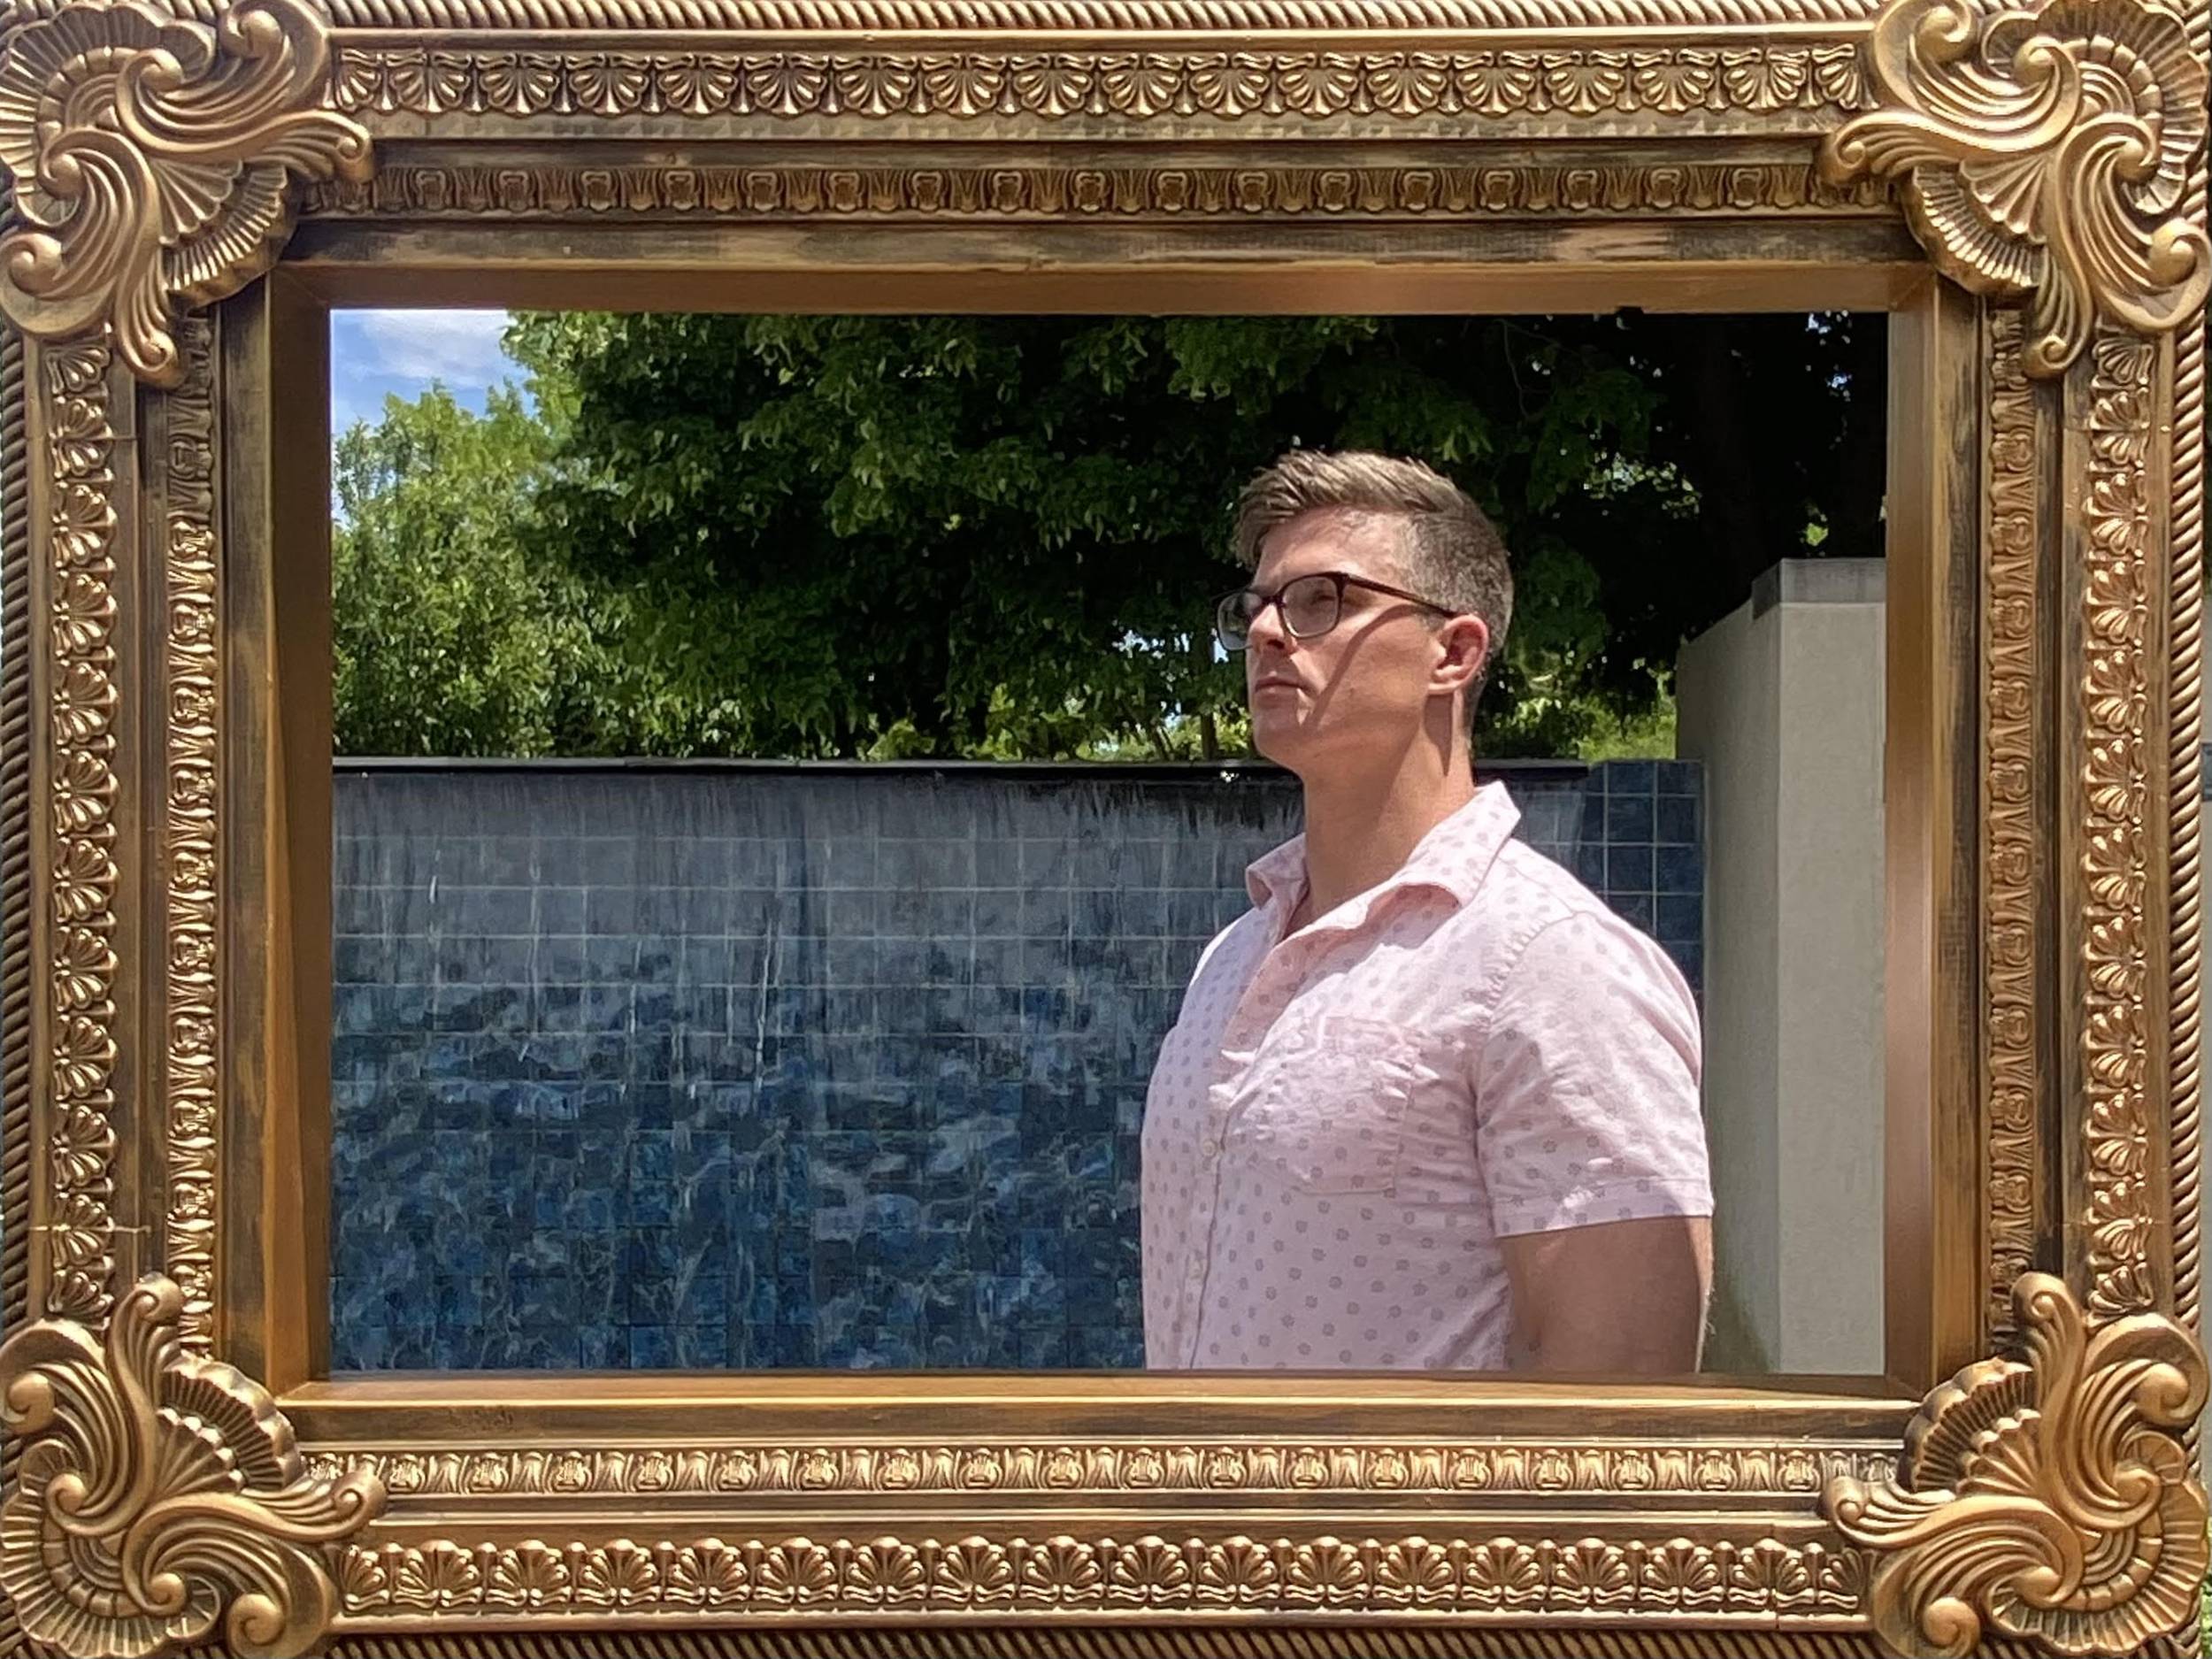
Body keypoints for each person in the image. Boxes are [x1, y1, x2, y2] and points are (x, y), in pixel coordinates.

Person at [1141, 449, 1713, 1373]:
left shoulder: (1549, 963)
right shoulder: (1232, 956)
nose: (1267, 634)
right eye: (1255, 607)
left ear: (1453, 651)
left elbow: (1621, 1410)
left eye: (1321, 599)